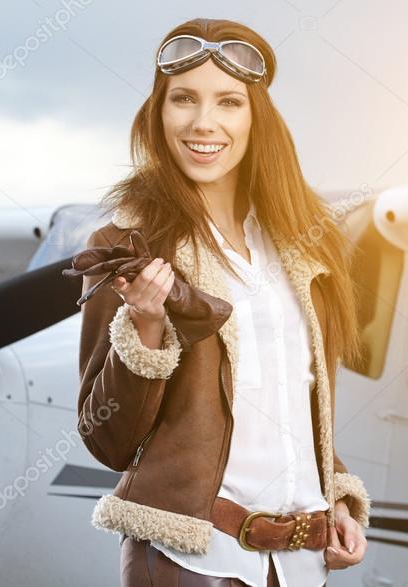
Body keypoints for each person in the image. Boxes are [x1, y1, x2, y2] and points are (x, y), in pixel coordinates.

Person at [75, 17, 371, 587]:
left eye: (228, 102)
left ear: (257, 118)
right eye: (183, 98)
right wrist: (145, 323)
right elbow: (105, 438)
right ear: (158, 114)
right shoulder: (123, 246)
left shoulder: (308, 249)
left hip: (302, 566)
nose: (203, 123)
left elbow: (298, 403)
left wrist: (334, 497)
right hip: (191, 560)